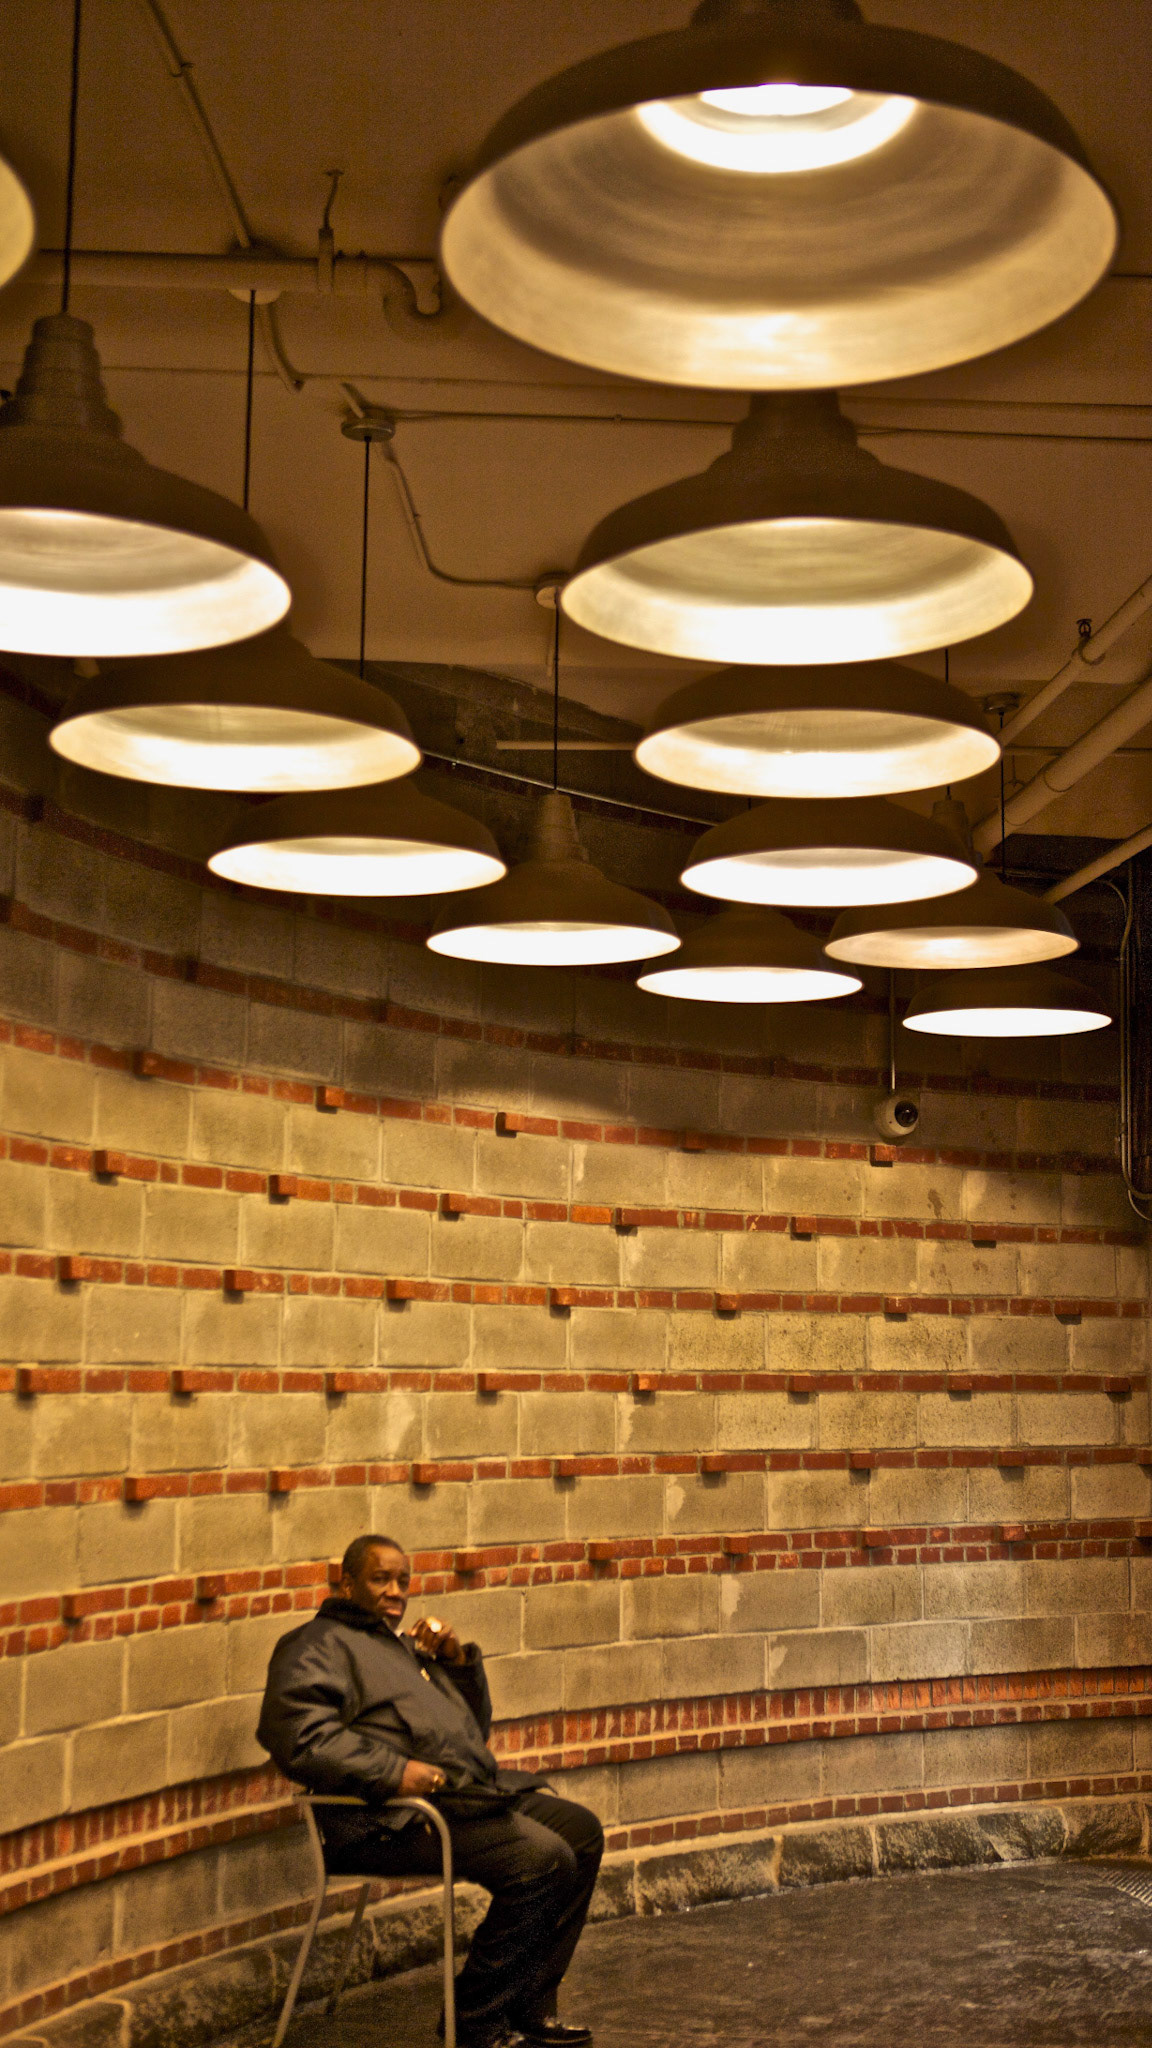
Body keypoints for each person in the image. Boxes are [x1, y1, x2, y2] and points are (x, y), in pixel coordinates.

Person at [258, 1532, 604, 2048]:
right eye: (380, 1579)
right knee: (542, 1858)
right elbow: (298, 1738)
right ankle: (476, 2022)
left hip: (458, 1799)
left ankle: (530, 2002)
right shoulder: (314, 1645)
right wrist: (394, 1771)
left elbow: (471, 1732)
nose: (395, 1591)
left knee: (581, 1831)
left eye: (403, 1580)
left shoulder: (403, 1650)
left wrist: (457, 1663)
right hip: (383, 1820)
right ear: (346, 1584)